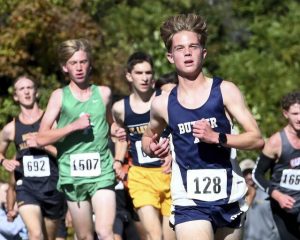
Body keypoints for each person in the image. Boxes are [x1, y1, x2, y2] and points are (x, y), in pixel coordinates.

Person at [142, 13, 264, 240]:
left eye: (193, 46)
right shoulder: (162, 103)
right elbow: (148, 138)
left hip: (228, 196)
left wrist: (218, 137)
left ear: (203, 53)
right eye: (180, 48)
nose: (187, 52)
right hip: (188, 200)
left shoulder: (226, 91)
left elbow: (256, 139)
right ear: (170, 56)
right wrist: (153, 149)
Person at [35, 38, 119, 240]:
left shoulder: (104, 93)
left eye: (83, 62)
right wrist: (73, 126)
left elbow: (110, 124)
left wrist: (117, 130)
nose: (79, 67)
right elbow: (40, 138)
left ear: (90, 64)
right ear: (65, 67)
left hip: (102, 171)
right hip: (73, 174)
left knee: (105, 231)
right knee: (85, 236)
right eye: (73, 63)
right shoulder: (59, 96)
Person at [112, 52, 175, 240]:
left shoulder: (165, 99)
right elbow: (120, 136)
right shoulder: (120, 108)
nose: (145, 78)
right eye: (139, 73)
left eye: (148, 72)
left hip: (170, 174)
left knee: (169, 237)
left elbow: (181, 131)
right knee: (155, 236)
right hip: (141, 176)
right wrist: (117, 160)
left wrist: (174, 153)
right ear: (129, 76)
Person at [0, 75, 65, 240]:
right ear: (15, 96)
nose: (26, 92)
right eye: (21, 89)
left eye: (29, 88)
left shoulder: (52, 121)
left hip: (52, 186)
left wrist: (42, 144)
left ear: (36, 92)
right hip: (26, 187)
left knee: (48, 237)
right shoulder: (11, 128)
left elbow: (65, 154)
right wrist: (4, 160)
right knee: (35, 234)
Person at [253, 91, 300, 240]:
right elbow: (256, 174)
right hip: (284, 208)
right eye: (295, 113)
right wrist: (277, 195)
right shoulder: (276, 142)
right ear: (286, 114)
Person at [239, 159, 280, 240]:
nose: (249, 176)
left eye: (251, 172)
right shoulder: (236, 197)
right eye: (245, 173)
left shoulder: (269, 193)